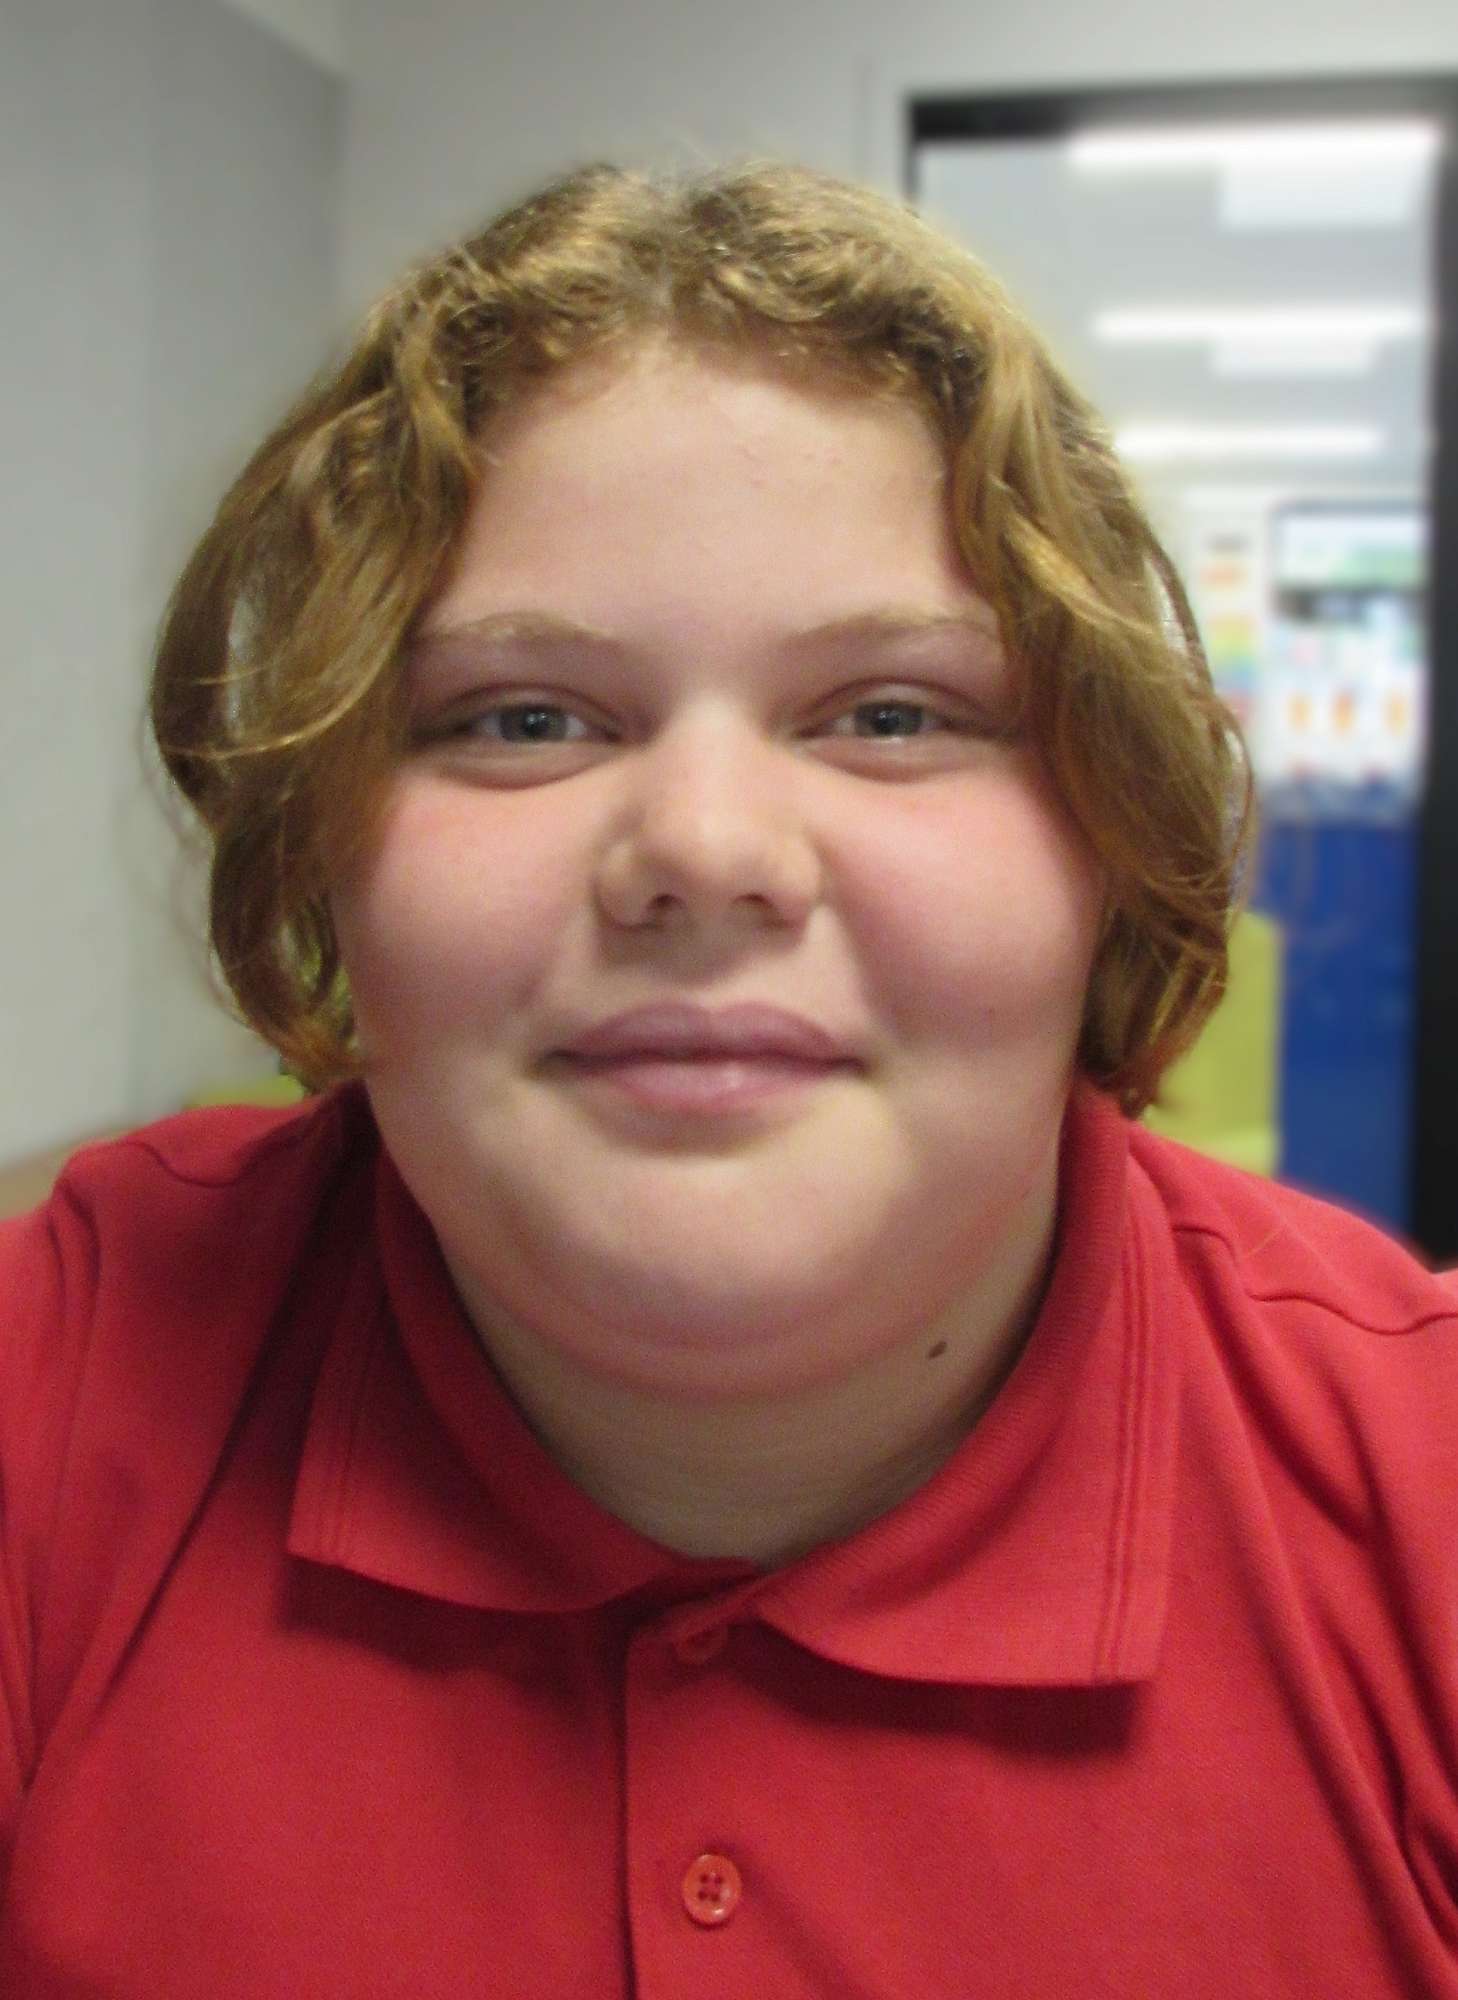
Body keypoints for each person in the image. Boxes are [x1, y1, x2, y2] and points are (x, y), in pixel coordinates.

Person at [1, 160, 1455, 1997]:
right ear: (323, 851)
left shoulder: (1417, 1504)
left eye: (891, 715)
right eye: (523, 719)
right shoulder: (60, 1402)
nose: (701, 849)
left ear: (1109, 837)